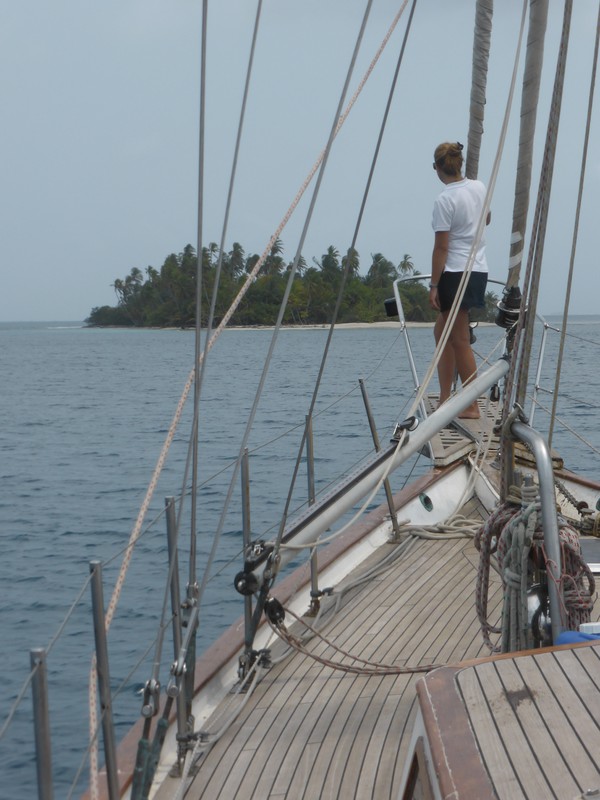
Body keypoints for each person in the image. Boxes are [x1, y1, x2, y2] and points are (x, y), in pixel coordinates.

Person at [429, 141, 490, 419]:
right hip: (478, 271)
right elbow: (486, 218)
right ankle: (445, 397)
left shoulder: (444, 200)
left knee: (460, 340)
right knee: (441, 334)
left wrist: (433, 285)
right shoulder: (478, 187)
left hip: (454, 274)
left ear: (437, 168)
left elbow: (442, 247)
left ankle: (471, 405)